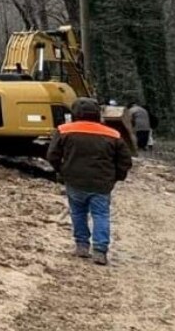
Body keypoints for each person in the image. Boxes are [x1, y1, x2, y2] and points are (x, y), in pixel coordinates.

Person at [48, 97, 133, 265]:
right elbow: (125, 161)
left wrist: (61, 170)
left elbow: (52, 155)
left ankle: (81, 246)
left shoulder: (64, 130)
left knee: (78, 212)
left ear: (75, 113)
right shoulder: (113, 134)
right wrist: (116, 176)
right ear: (97, 114)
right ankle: (100, 251)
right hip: (102, 183)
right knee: (101, 214)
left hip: (74, 180)